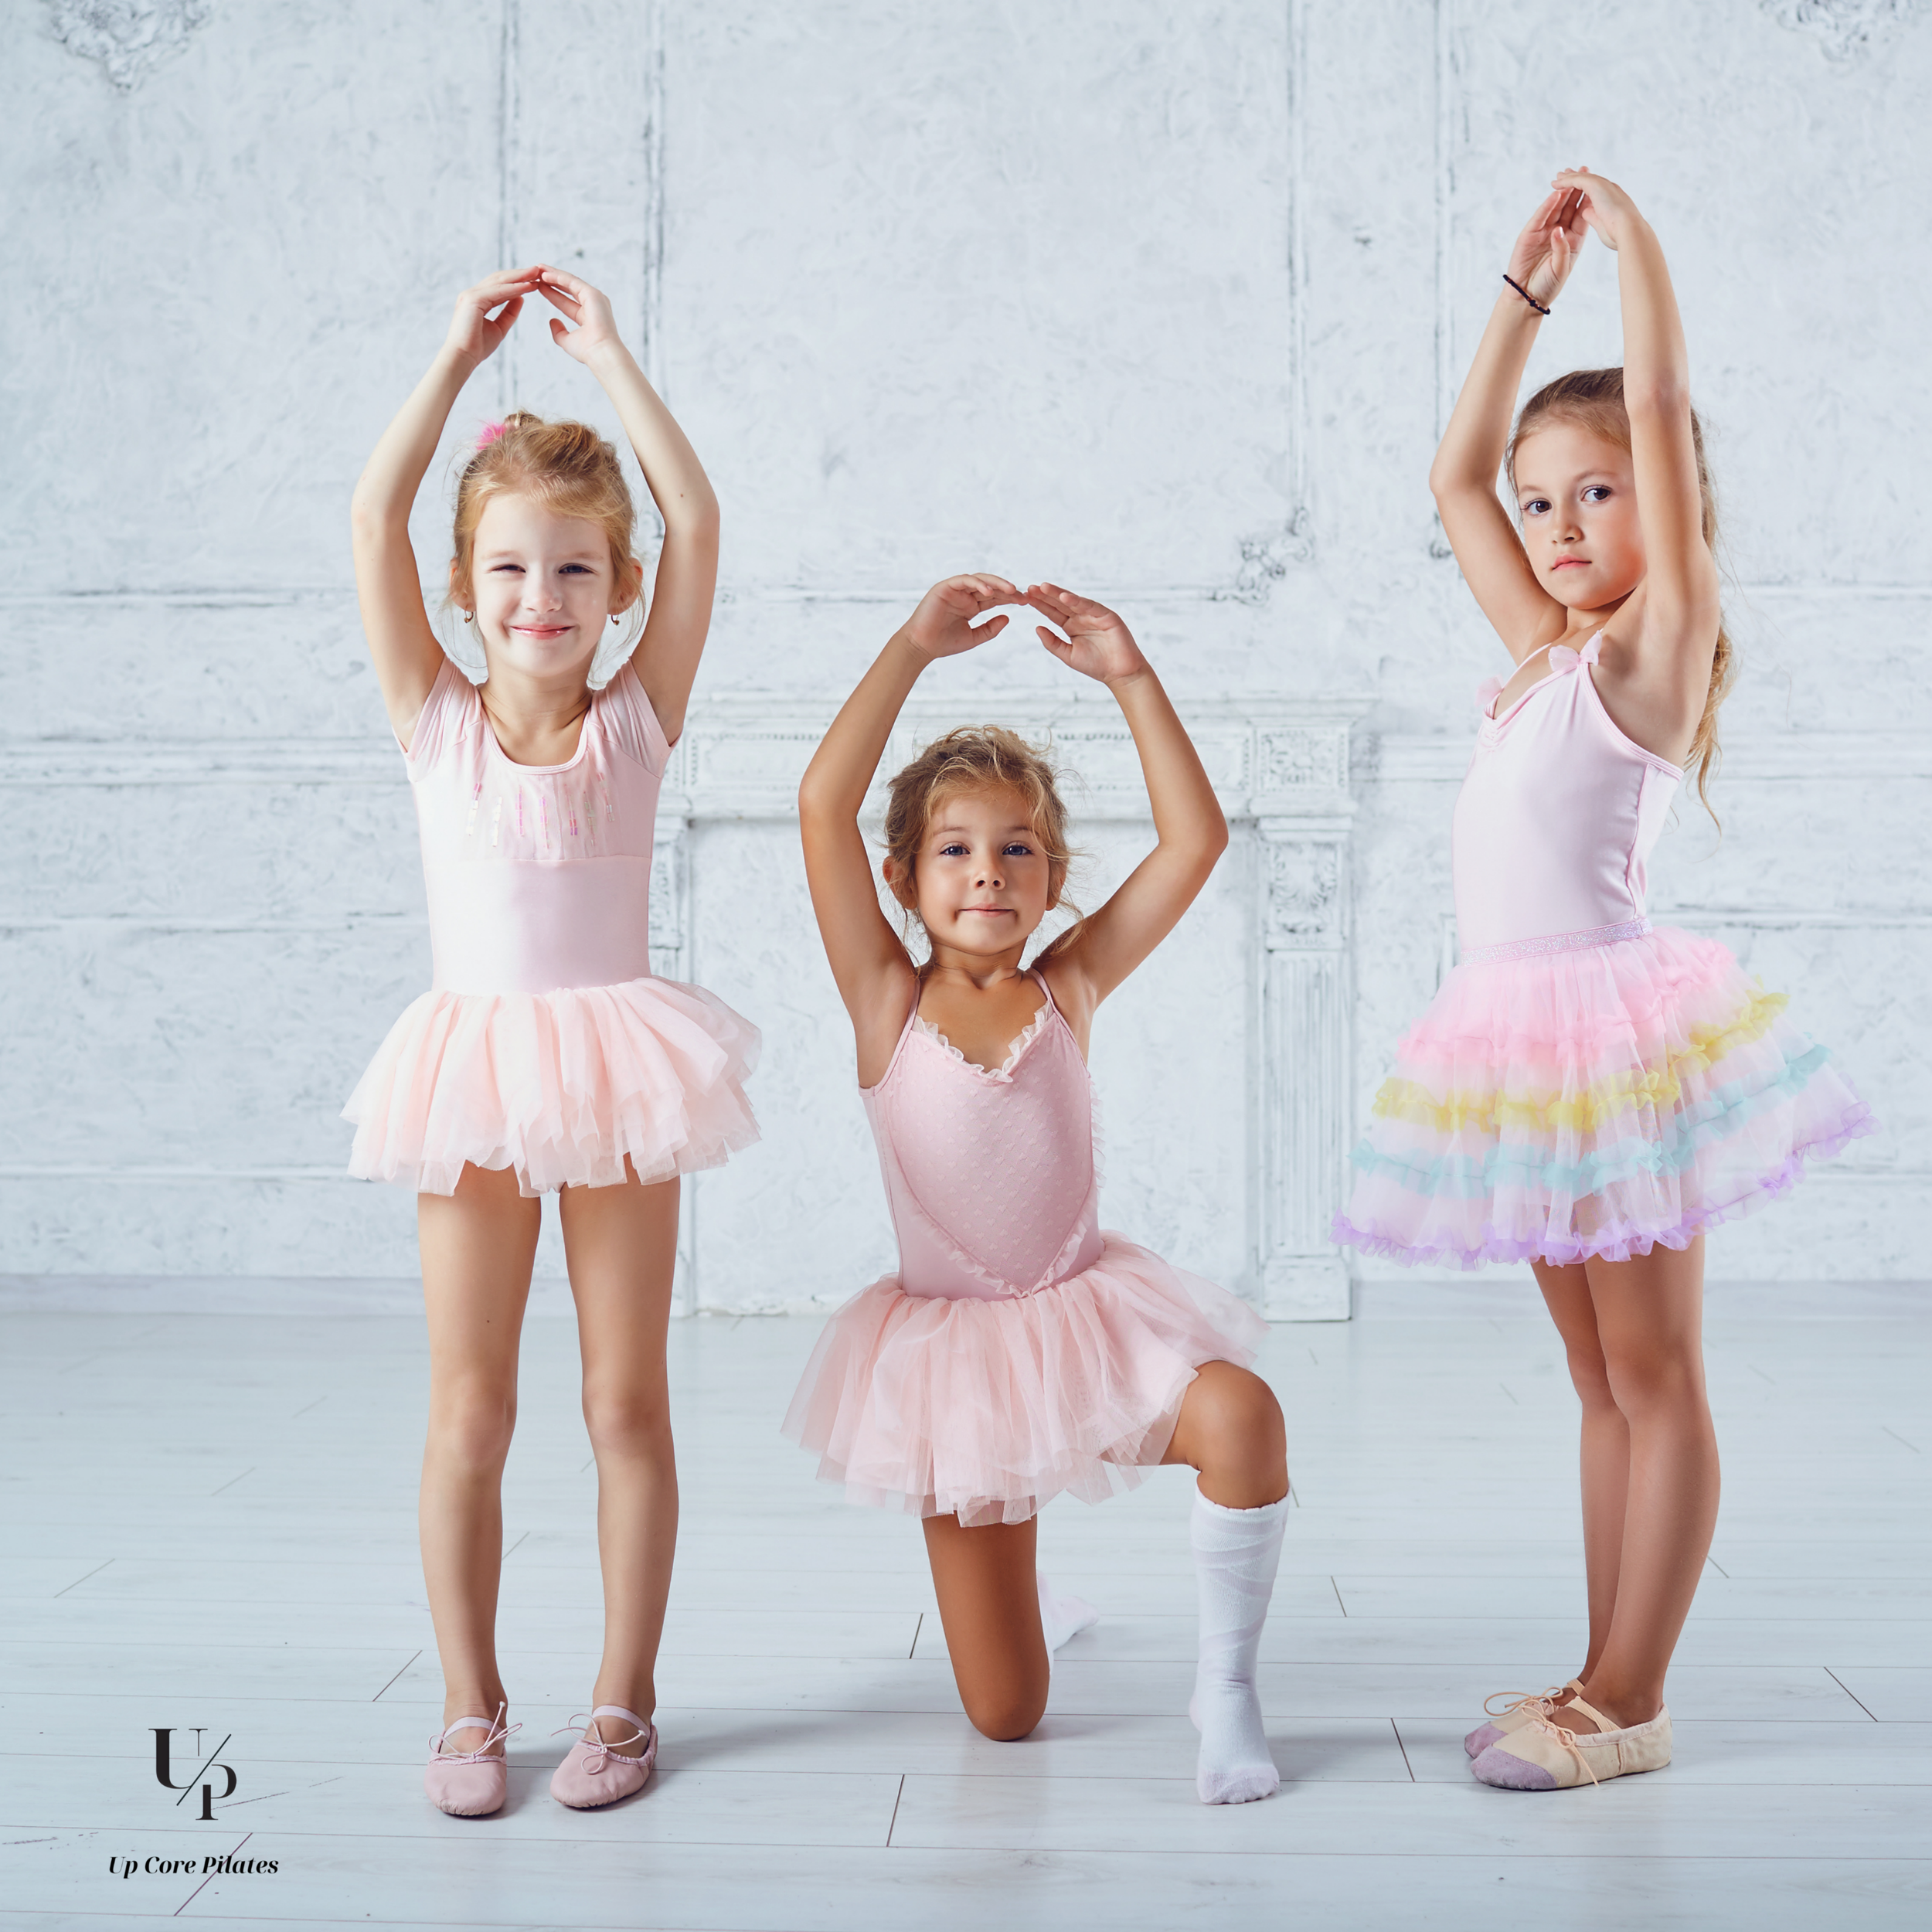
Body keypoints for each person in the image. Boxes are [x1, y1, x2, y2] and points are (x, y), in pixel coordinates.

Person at [1335, 173, 1872, 1790]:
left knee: (1653, 1371)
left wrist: (1634, 255)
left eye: (1597, 496)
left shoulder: (1654, 642)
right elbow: (1446, 477)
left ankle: (1632, 1696)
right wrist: (1518, 289)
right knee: (1590, 1377)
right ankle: (1586, 1665)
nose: (1561, 530)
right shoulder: (1535, 653)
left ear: (1667, 507)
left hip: (1616, 1037)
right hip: (1516, 1042)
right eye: (1545, 503)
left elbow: (1648, 394)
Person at [345, 266, 759, 1815]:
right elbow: (373, 518)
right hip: (472, 1070)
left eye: (576, 570)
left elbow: (703, 523)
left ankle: (622, 1699)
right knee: (471, 1403)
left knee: (622, 1399)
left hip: (618, 1069)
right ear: (466, 587)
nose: (542, 599)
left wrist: (617, 361)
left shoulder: (637, 715)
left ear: (618, 586)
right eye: (512, 570)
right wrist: (454, 355)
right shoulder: (431, 717)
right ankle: (468, 1703)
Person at [785, 574, 1289, 1804]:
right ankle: (1028, 1592)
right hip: (955, 1369)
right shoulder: (884, 1003)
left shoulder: (1072, 983)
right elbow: (818, 803)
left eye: (1018, 850)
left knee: (1244, 1417)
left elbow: (1196, 841)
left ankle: (1225, 1689)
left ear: (1054, 875)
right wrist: (911, 646)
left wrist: (1130, 672)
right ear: (903, 879)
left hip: (1088, 1323)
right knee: (1007, 1719)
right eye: (954, 850)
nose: (988, 873)